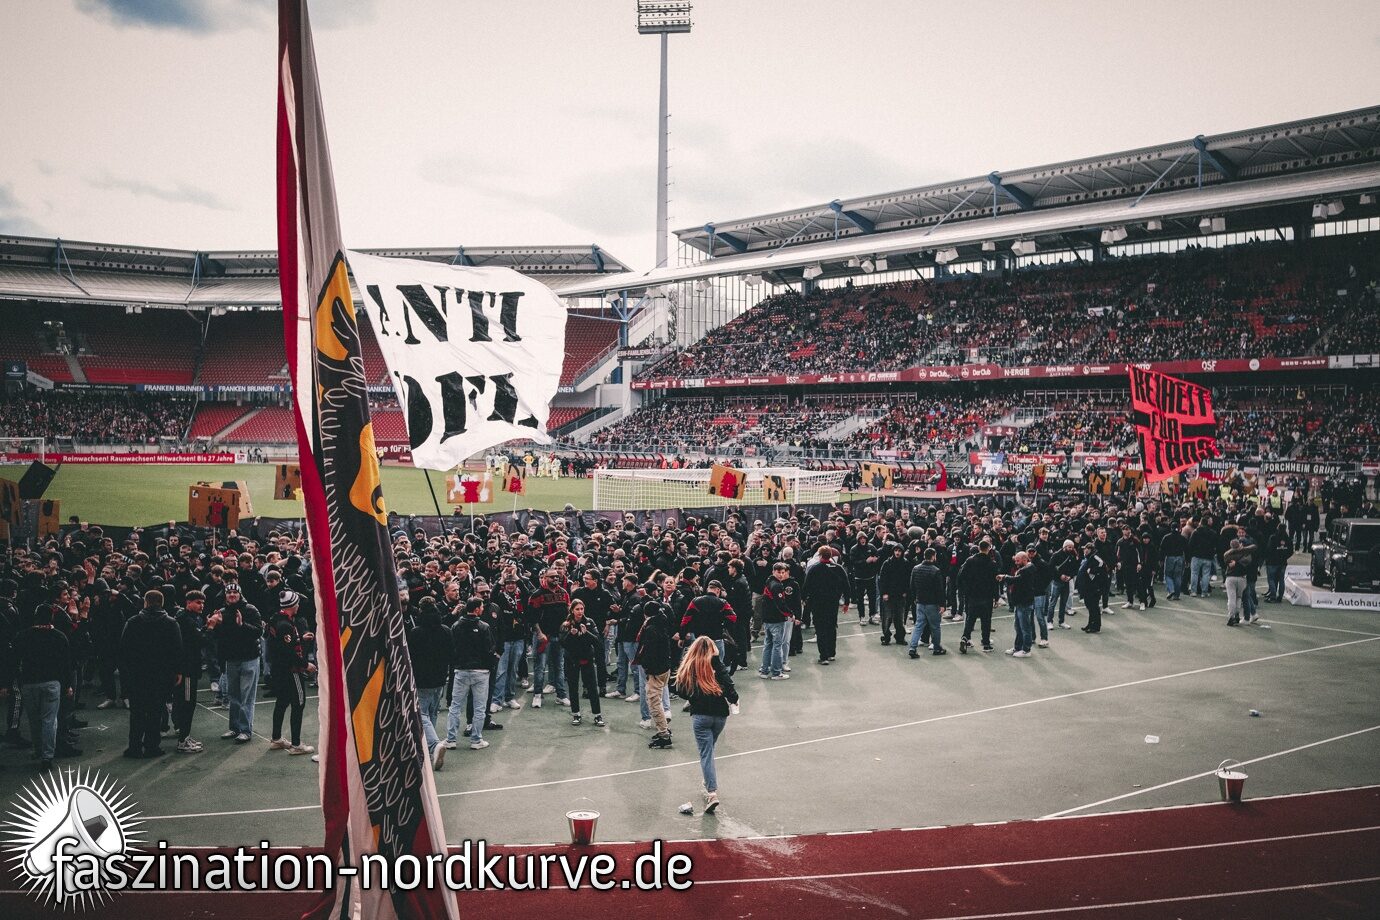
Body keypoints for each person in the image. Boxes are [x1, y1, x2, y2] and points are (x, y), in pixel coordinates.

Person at [675, 636, 738, 815]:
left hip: (701, 715)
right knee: (709, 749)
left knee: (706, 753)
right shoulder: (716, 665)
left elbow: (680, 689)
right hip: (720, 715)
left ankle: (712, 793)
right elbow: (730, 687)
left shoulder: (690, 666)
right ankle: (707, 780)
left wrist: (693, 697)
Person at [119, 589, 183, 759]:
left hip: (137, 673)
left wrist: (126, 673)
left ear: (145, 602)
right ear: (162, 603)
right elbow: (177, 649)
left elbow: (124, 650)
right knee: (156, 711)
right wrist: (177, 671)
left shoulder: (133, 622)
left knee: (137, 712)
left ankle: (134, 746)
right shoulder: (171, 623)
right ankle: (152, 746)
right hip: (161, 674)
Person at [11, 606, 72, 769]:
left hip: (29, 682)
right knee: (49, 720)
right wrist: (67, 685)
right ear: (51, 617)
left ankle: (38, 749)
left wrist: (10, 681)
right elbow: (65, 664)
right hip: (52, 682)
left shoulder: (23, 636)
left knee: (34, 720)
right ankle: (47, 756)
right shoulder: (59, 636)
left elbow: (14, 660)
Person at [207, 581, 263, 743]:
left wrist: (242, 625)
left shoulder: (251, 610)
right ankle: (235, 728)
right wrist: (213, 625)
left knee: (247, 697)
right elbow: (220, 639)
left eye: (235, 593)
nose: (232, 595)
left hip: (249, 658)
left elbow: (258, 632)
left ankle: (245, 730)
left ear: (240, 594)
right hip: (231, 659)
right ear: (225, 595)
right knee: (233, 696)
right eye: (229, 593)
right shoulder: (221, 612)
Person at [265, 591, 316, 757]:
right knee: (298, 703)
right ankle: (296, 744)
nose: (299, 606)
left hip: (279, 670)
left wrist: (300, 638)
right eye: (297, 603)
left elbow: (281, 645)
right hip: (291, 670)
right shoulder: (286, 625)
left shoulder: (276, 619)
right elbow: (288, 652)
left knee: (282, 702)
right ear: (293, 605)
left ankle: (276, 738)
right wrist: (306, 665)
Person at [409, 596, 452, 771]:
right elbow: (450, 652)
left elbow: (411, 657)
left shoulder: (415, 632)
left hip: (422, 680)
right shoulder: (446, 630)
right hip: (440, 679)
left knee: (422, 715)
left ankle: (433, 744)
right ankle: (431, 748)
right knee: (432, 713)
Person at [448, 597, 496, 750]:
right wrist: (490, 666)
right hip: (480, 672)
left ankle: (451, 739)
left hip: (461, 670)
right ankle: (476, 740)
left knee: (455, 706)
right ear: (476, 609)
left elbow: (452, 648)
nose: (483, 609)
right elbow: (489, 649)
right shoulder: (484, 627)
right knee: (479, 708)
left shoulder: (456, 626)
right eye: (481, 607)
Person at [635, 582, 675, 749]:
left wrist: (646, 667)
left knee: (653, 702)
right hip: (664, 667)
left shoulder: (651, 628)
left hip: (656, 670)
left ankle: (664, 734)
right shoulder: (662, 623)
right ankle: (663, 728)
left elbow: (649, 652)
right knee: (657, 699)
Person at [560, 599, 605, 727]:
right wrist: (571, 634)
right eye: (577, 609)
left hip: (587, 658)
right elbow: (563, 643)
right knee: (573, 687)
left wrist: (586, 633)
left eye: (582, 609)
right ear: (572, 610)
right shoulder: (566, 624)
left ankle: (597, 715)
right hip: (572, 660)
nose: (580, 611)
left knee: (592, 687)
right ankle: (576, 714)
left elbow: (597, 642)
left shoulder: (589, 622)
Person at [171, 590, 206, 753]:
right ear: (188, 602)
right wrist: (210, 627)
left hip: (189, 668)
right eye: (198, 602)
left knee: (186, 703)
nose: (201, 606)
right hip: (187, 670)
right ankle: (183, 741)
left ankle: (185, 736)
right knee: (187, 704)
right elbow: (199, 640)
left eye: (203, 603)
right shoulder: (186, 620)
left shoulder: (191, 618)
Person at [801, 548, 849, 665]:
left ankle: (824, 656)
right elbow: (847, 586)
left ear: (820, 555)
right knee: (831, 626)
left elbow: (806, 586)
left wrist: (803, 599)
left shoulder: (814, 569)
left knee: (820, 628)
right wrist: (846, 602)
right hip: (833, 603)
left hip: (817, 603)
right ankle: (831, 653)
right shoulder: (838, 568)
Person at [957, 539, 1000, 652]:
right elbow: (995, 582)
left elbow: (960, 575)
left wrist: (965, 589)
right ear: (989, 548)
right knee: (986, 620)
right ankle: (986, 643)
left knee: (970, 619)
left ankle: (965, 637)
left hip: (972, 594)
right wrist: (996, 597)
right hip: (986, 595)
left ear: (979, 548)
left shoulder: (970, 560)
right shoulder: (992, 563)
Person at [758, 562, 798, 680]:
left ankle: (764, 670)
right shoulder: (777, 586)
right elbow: (780, 604)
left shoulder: (769, 582)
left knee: (768, 645)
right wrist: (790, 613)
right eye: (778, 572)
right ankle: (776, 672)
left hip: (767, 619)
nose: (781, 574)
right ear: (773, 571)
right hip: (776, 619)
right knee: (777, 646)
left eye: (782, 572)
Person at [908, 547, 947, 657]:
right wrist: (942, 604)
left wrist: (915, 598)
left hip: (920, 602)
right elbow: (939, 590)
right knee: (935, 626)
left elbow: (912, 586)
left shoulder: (916, 568)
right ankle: (937, 648)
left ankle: (912, 648)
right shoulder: (936, 570)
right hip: (932, 603)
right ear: (933, 556)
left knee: (918, 625)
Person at [1001, 551, 1038, 657]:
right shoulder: (1028, 568)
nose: (1016, 563)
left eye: (1018, 561)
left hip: (1024, 602)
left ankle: (1026, 650)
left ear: (1025, 559)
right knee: (1018, 627)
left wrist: (1005, 577)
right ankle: (1018, 647)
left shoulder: (1026, 570)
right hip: (1021, 602)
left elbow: (1016, 580)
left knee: (1024, 627)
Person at [878, 542, 910, 645]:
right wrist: (884, 593)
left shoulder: (905, 563)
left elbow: (908, 579)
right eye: (896, 550)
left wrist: (906, 591)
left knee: (899, 618)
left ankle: (900, 637)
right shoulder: (887, 563)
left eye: (899, 551)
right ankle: (886, 637)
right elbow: (882, 580)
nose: (897, 553)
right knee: (887, 618)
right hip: (889, 595)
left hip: (900, 595)